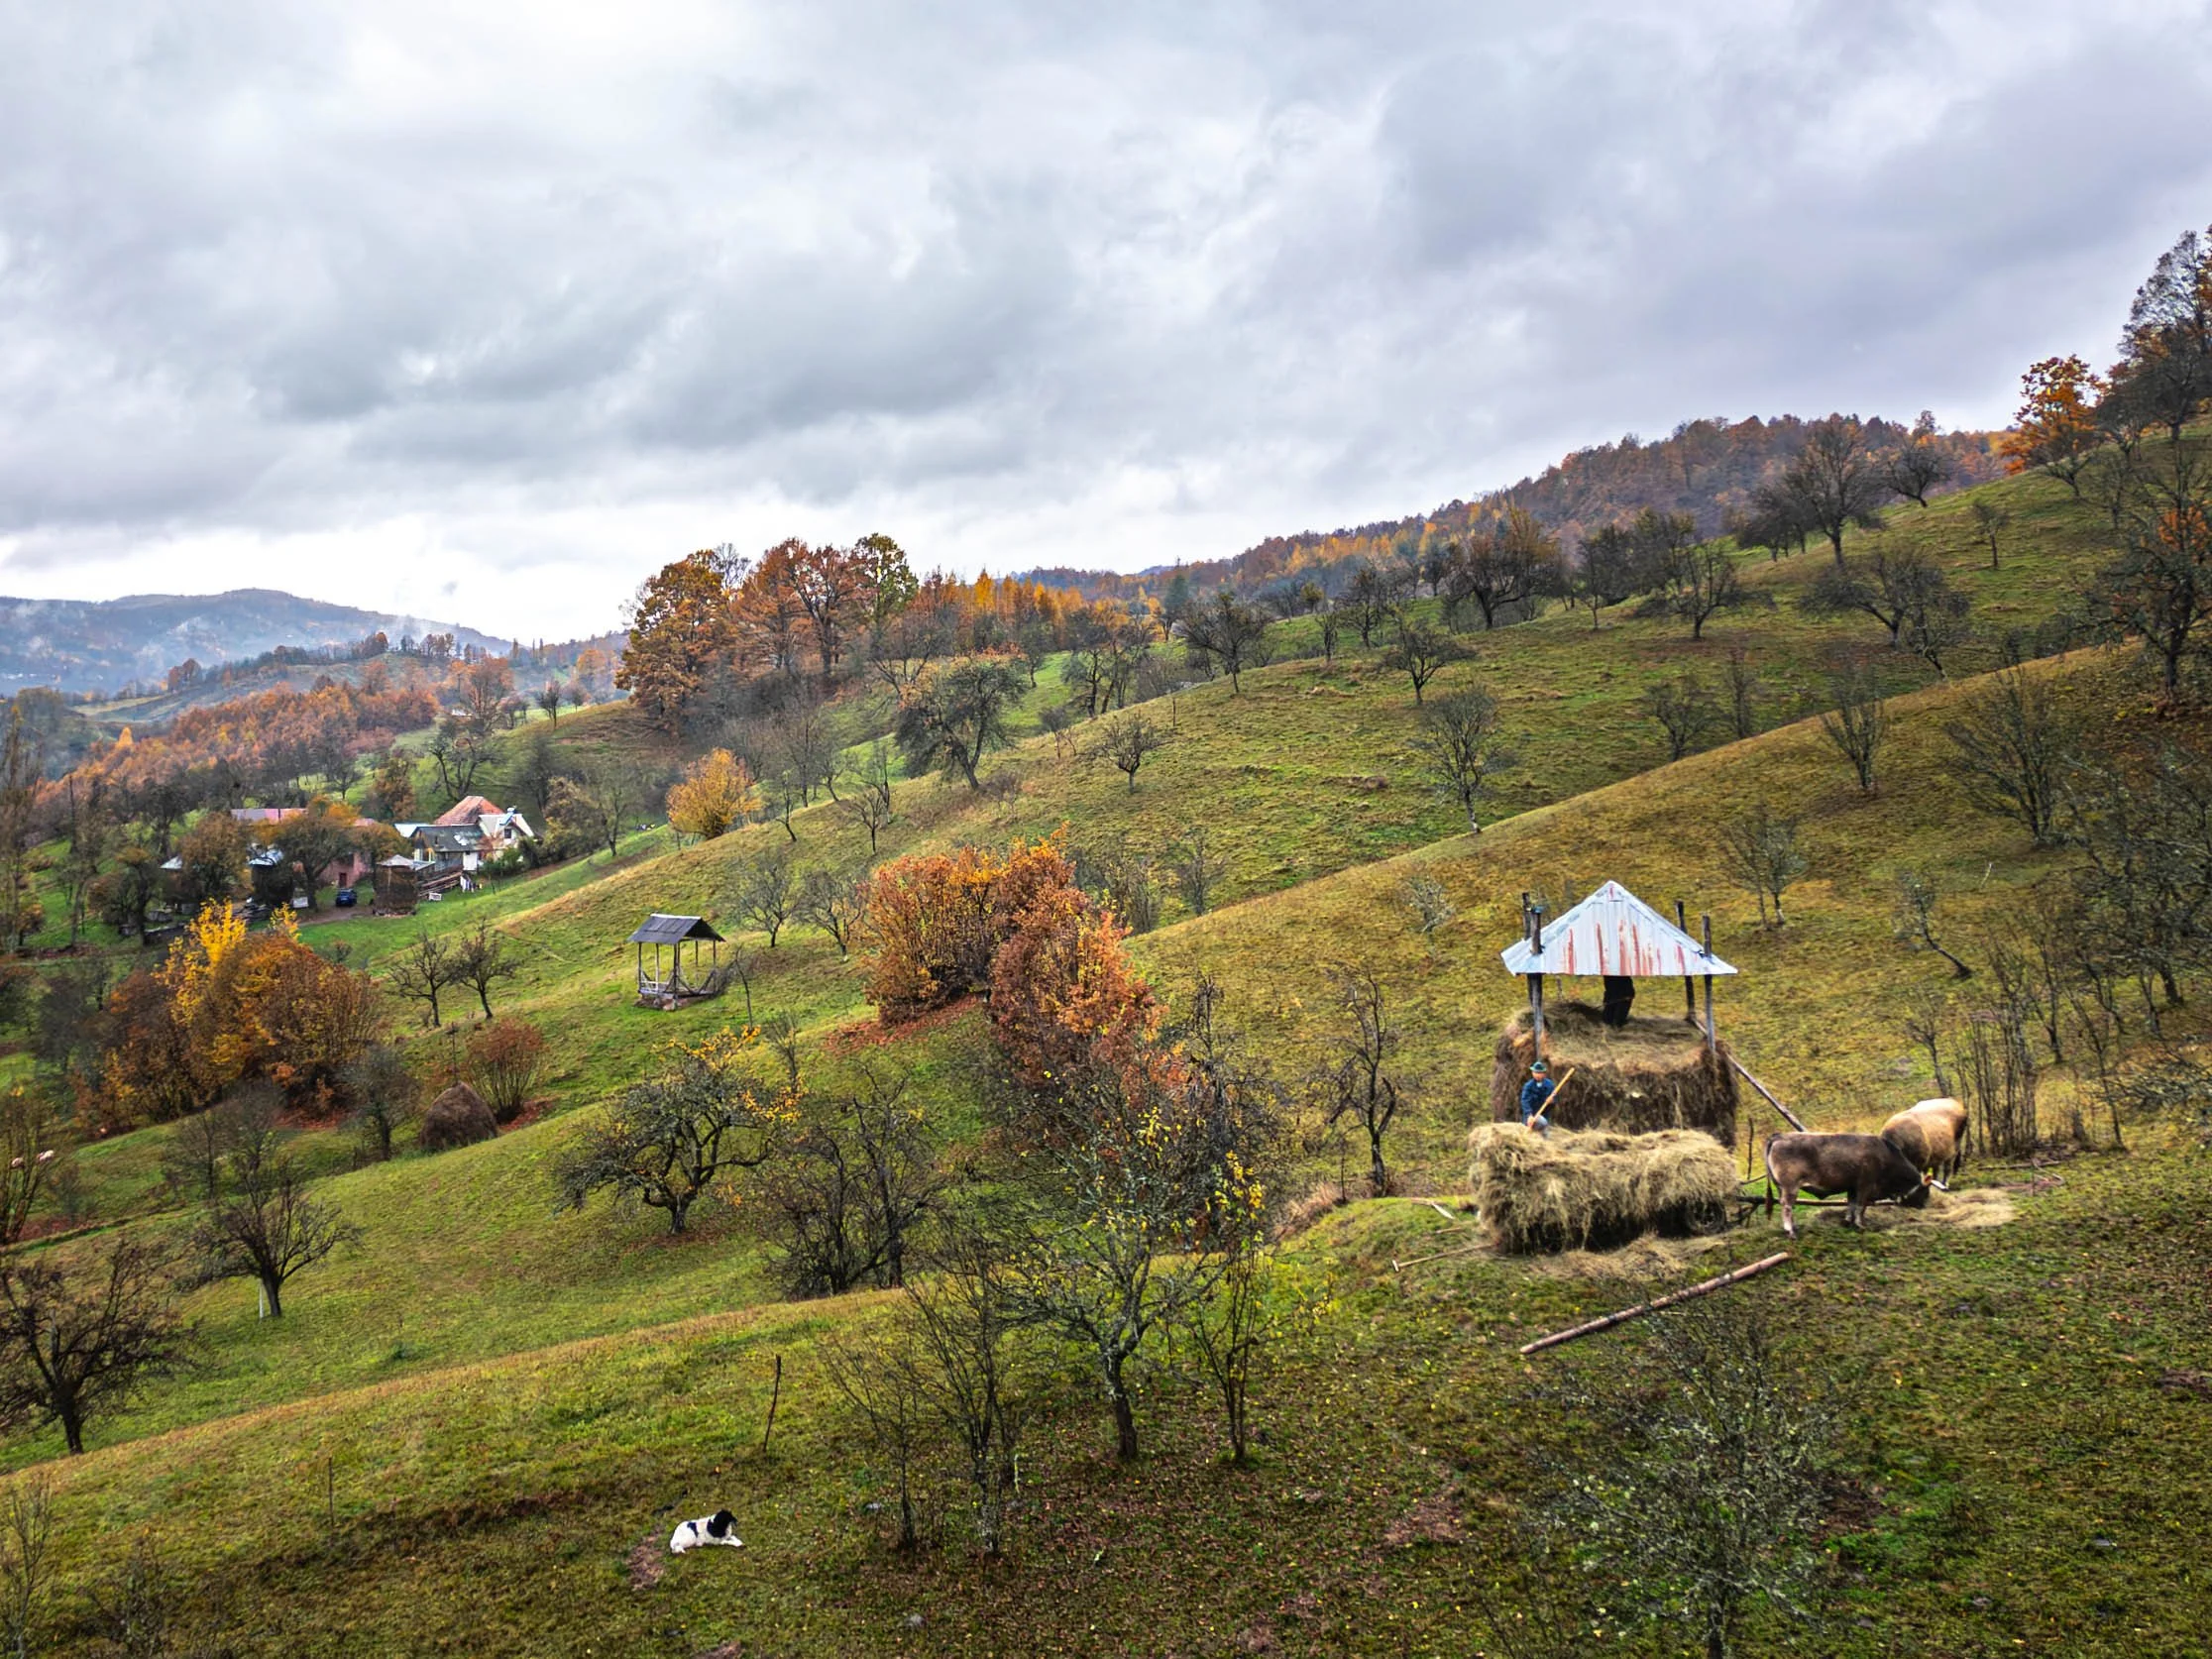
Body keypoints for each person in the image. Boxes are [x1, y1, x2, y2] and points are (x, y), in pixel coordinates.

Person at [1518, 1058, 1556, 1134]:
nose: (1537, 1075)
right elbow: (1525, 1101)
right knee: (1529, 1134)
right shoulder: (1528, 1086)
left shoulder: (1550, 1085)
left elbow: (1554, 1099)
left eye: (1539, 1073)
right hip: (1531, 1114)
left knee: (1543, 1126)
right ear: (1532, 1073)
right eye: (1535, 1072)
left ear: (1544, 1074)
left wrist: (1551, 1101)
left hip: (1544, 1113)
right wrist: (1529, 1115)